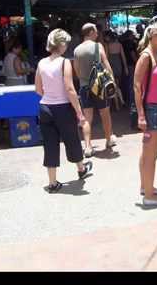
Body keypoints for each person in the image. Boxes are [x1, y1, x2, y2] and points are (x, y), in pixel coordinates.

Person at [35, 29, 93, 193]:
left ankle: (52, 183)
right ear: (61, 44)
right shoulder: (64, 62)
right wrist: (79, 112)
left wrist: (51, 95)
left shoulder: (41, 63)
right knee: (72, 139)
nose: (67, 46)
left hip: (45, 107)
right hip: (63, 108)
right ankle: (81, 169)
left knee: (50, 144)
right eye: (66, 43)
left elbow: (38, 89)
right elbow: (70, 88)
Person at [134, 21, 157, 207]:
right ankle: (149, 195)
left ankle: (146, 187)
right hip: (151, 109)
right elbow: (137, 86)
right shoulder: (146, 56)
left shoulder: (154, 54)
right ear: (154, 36)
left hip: (154, 107)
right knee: (151, 155)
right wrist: (141, 115)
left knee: (148, 153)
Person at [73, 23, 117, 158]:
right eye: (96, 31)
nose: (98, 34)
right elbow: (106, 64)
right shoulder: (98, 46)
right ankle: (109, 140)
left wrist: (84, 79)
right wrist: (112, 81)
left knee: (87, 118)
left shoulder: (77, 50)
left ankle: (87, 147)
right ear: (91, 32)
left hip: (84, 86)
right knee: (105, 114)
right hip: (99, 86)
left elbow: (77, 70)